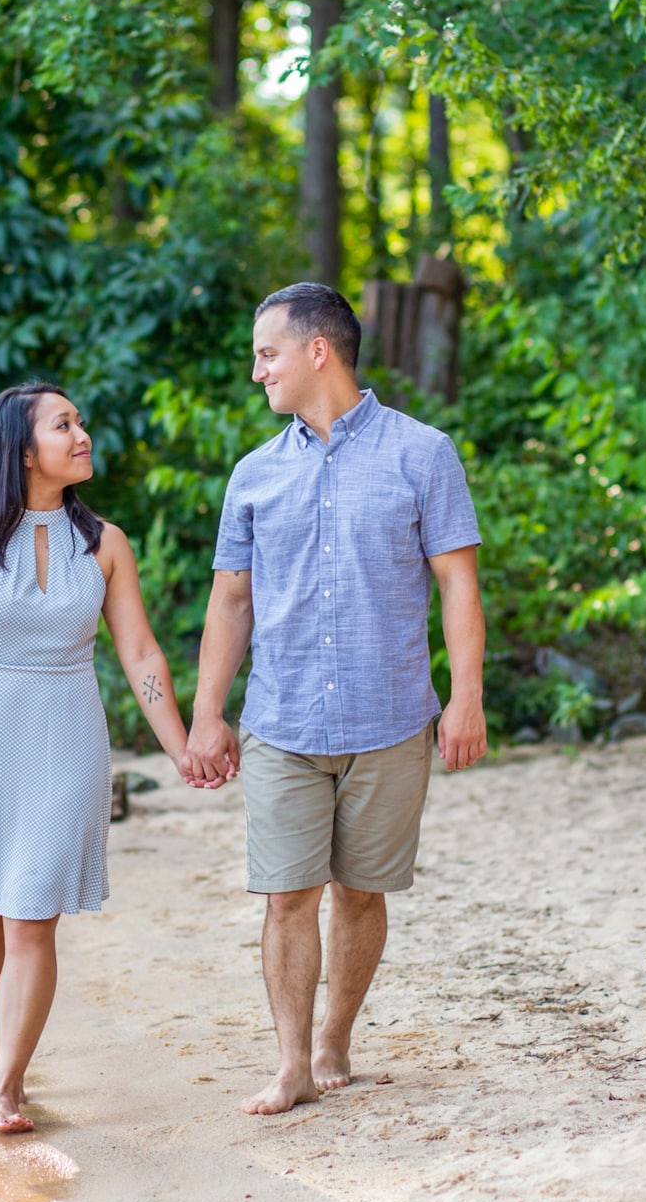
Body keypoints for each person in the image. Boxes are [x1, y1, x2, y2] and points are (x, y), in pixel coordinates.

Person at [185, 282, 488, 1116]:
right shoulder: (252, 475)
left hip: (391, 719)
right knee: (288, 895)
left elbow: (457, 583)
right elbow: (230, 600)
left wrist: (467, 698)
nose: (257, 372)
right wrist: (207, 713)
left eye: (266, 353)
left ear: (318, 350)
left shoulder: (423, 453)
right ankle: (289, 1062)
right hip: (282, 720)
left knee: (360, 892)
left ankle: (334, 1040)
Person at [0, 380, 196, 1134]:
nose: (82, 434)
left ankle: (3, 1085)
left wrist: (182, 747)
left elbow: (140, 654)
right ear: (23, 449)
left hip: (65, 735)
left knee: (32, 915)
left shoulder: (105, 544)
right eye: (64, 425)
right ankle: (9, 1062)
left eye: (80, 422)